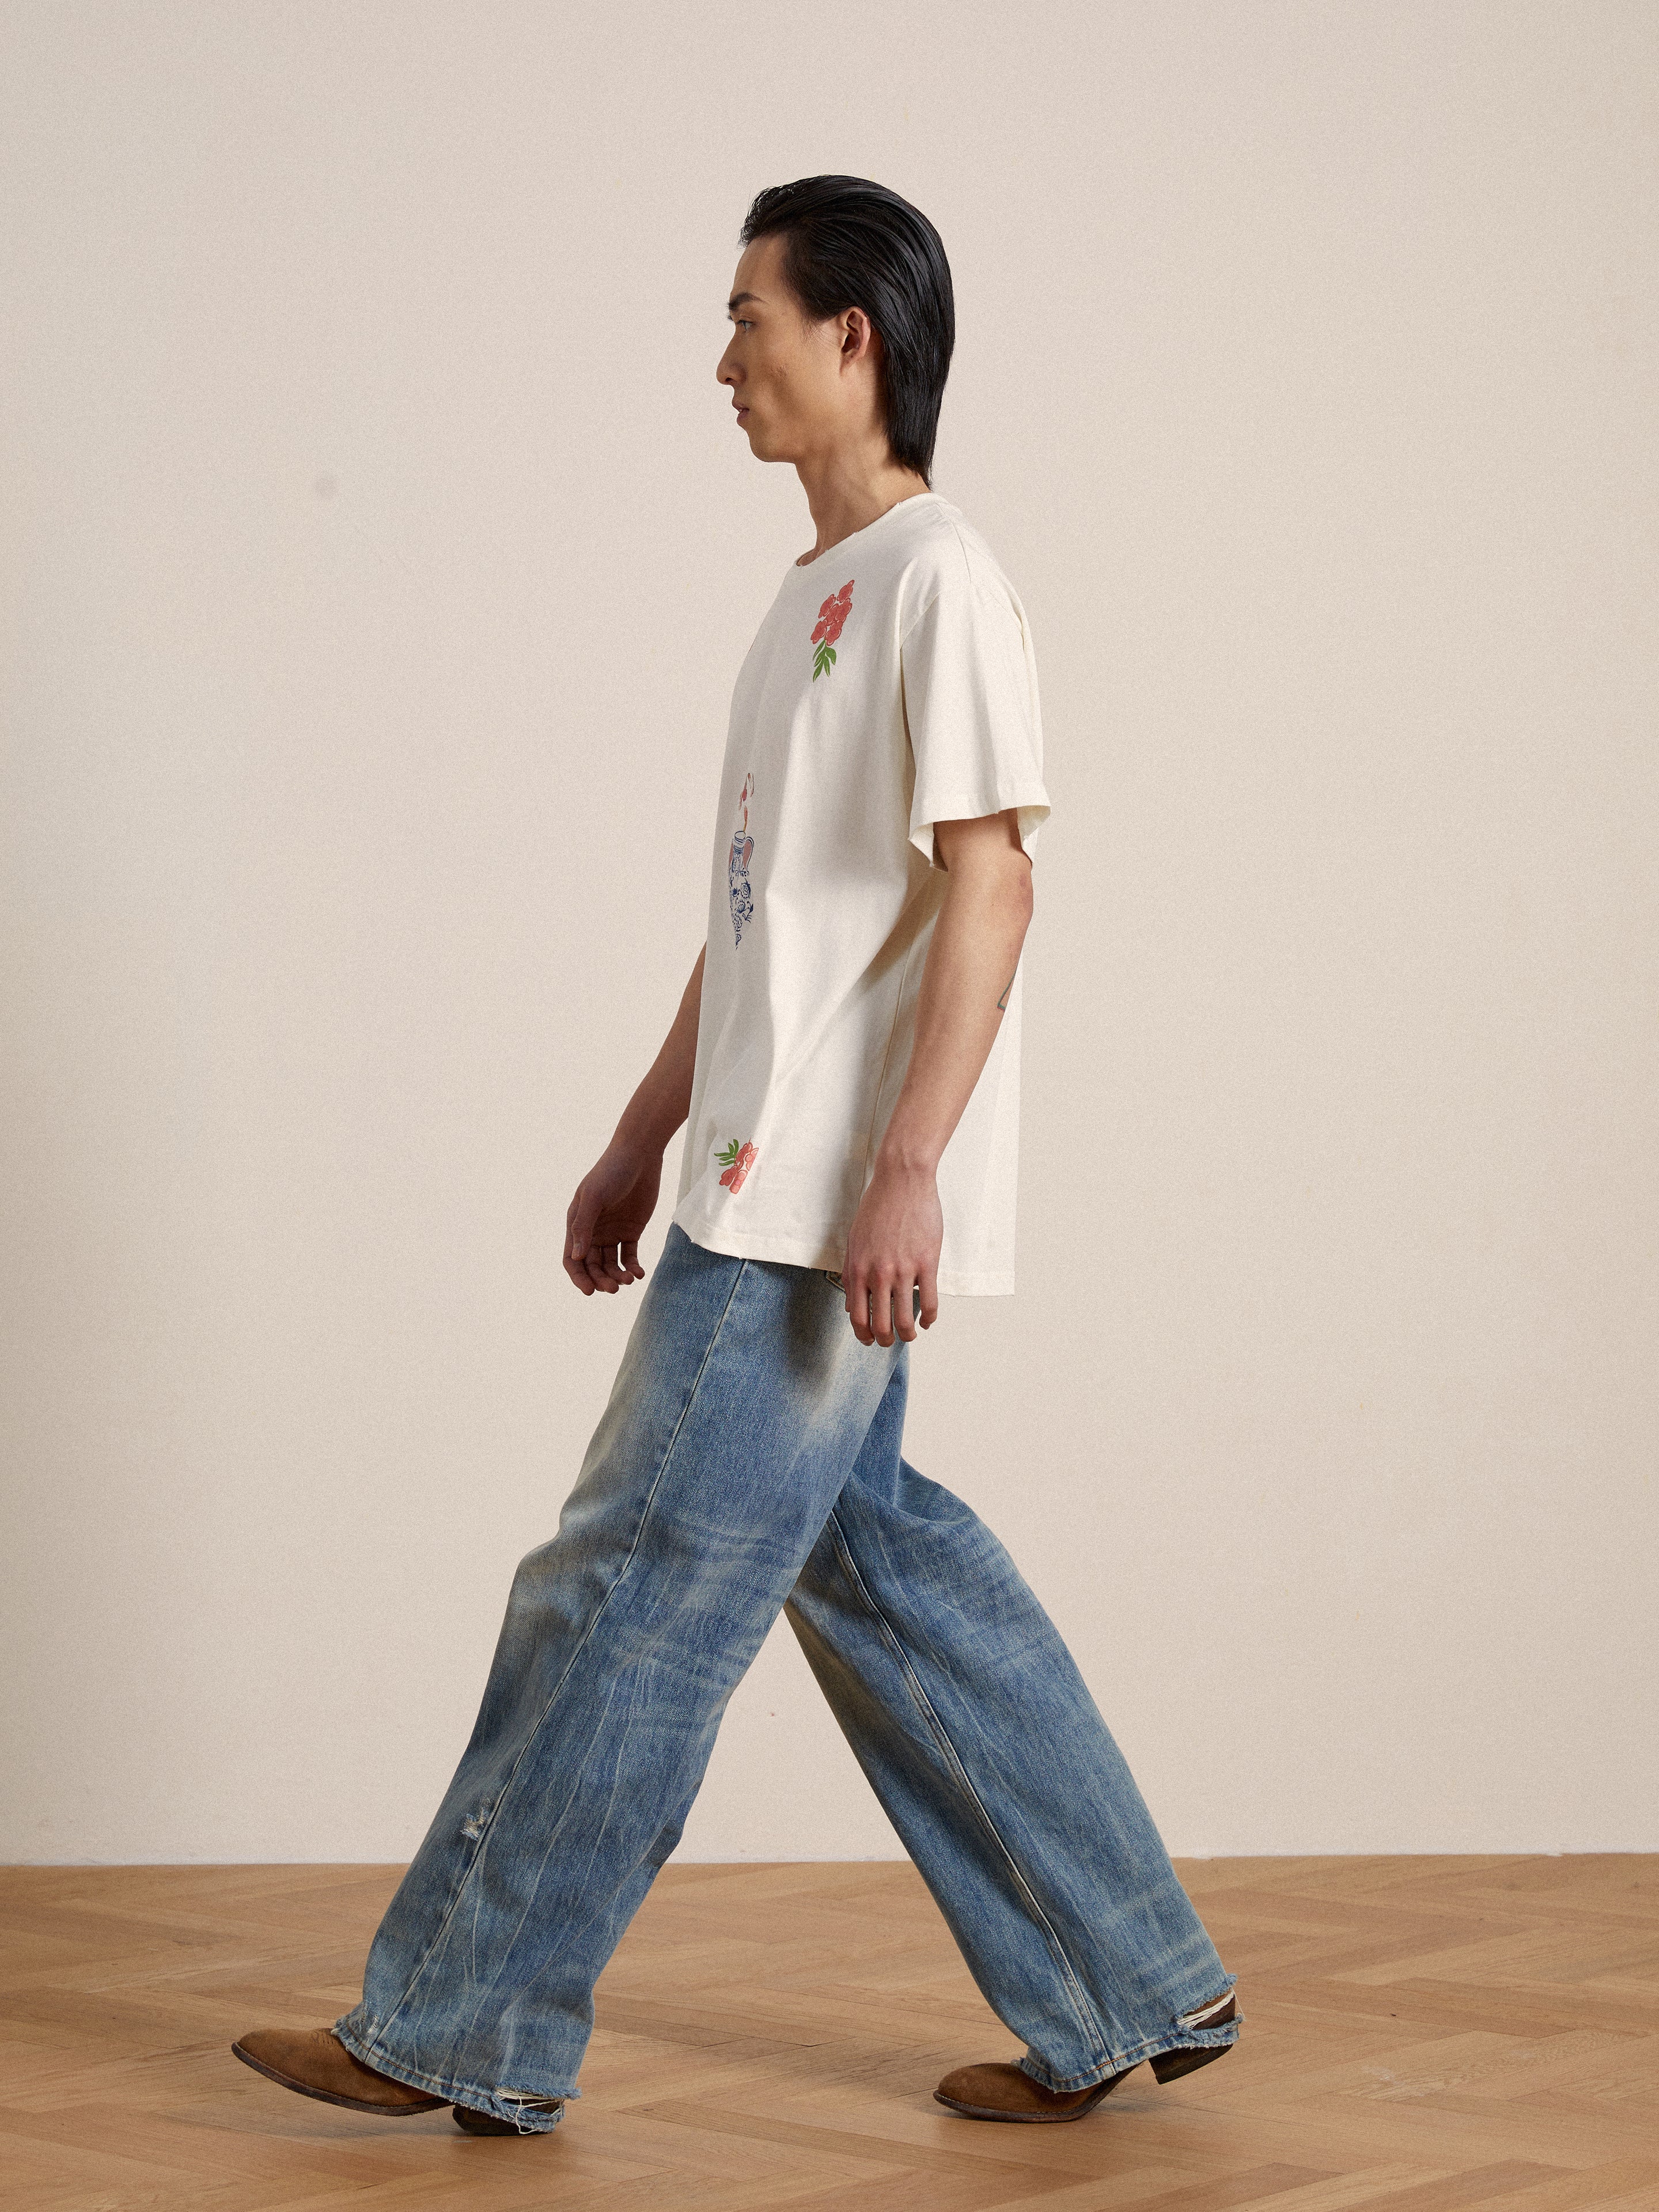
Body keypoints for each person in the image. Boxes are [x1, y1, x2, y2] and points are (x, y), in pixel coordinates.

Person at [232, 174, 1241, 2139]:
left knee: (621, 1588)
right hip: (752, 1180)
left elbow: (996, 889)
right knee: (881, 1570)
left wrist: (910, 1165)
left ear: (852, 335)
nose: (724, 362)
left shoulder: (943, 579)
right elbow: (763, 923)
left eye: (750, 319)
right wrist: (637, 1140)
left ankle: (462, 2021)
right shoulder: (815, 601)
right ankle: (1124, 1980)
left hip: (814, 1212)